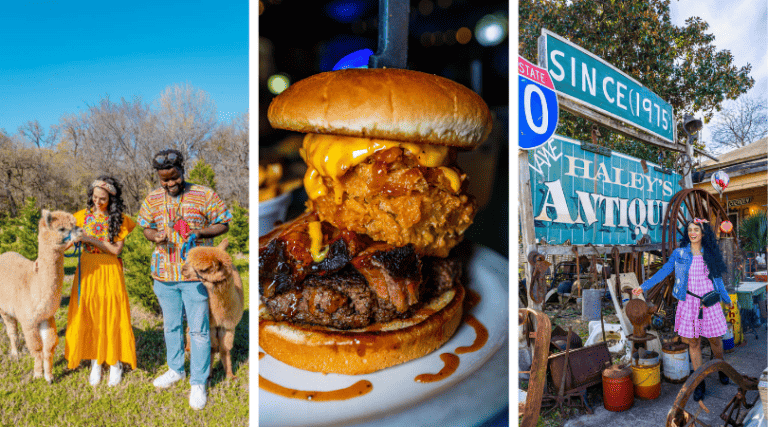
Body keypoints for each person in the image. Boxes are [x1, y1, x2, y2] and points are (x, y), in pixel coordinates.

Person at [138, 149, 231, 410]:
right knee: (171, 327)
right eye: (164, 180)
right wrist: (153, 235)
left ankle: (198, 381)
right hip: (164, 274)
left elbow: (224, 223)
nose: (169, 184)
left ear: (182, 170)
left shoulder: (203, 194)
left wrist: (201, 232)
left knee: (199, 330)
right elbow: (144, 225)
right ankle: (176, 369)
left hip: (195, 275)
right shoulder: (153, 199)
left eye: (174, 177)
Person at [634, 218, 733, 401]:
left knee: (715, 342)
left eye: (696, 229)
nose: (692, 233)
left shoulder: (710, 253)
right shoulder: (680, 253)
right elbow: (664, 270)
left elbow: (718, 281)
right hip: (689, 303)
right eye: (690, 230)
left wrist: (727, 299)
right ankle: (699, 381)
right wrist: (644, 286)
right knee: (694, 344)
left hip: (709, 304)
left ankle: (721, 367)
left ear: (703, 233)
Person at [65, 176, 137, 386]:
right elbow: (65, 243)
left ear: (112, 200)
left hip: (109, 269)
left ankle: (114, 361)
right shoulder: (80, 217)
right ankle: (96, 359)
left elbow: (116, 250)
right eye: (94, 197)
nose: (97, 202)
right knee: (90, 312)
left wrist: (89, 239)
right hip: (87, 270)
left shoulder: (120, 220)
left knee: (112, 313)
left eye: (102, 199)